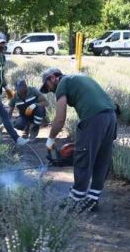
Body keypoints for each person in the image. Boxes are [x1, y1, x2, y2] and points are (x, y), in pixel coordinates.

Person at [40, 67, 117, 212]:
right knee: (102, 159)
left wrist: (50, 139)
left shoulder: (62, 83)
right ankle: (93, 199)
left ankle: (76, 200)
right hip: (111, 116)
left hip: (93, 117)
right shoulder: (80, 78)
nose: (50, 91)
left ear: (52, 78)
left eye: (47, 87)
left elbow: (60, 118)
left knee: (83, 156)